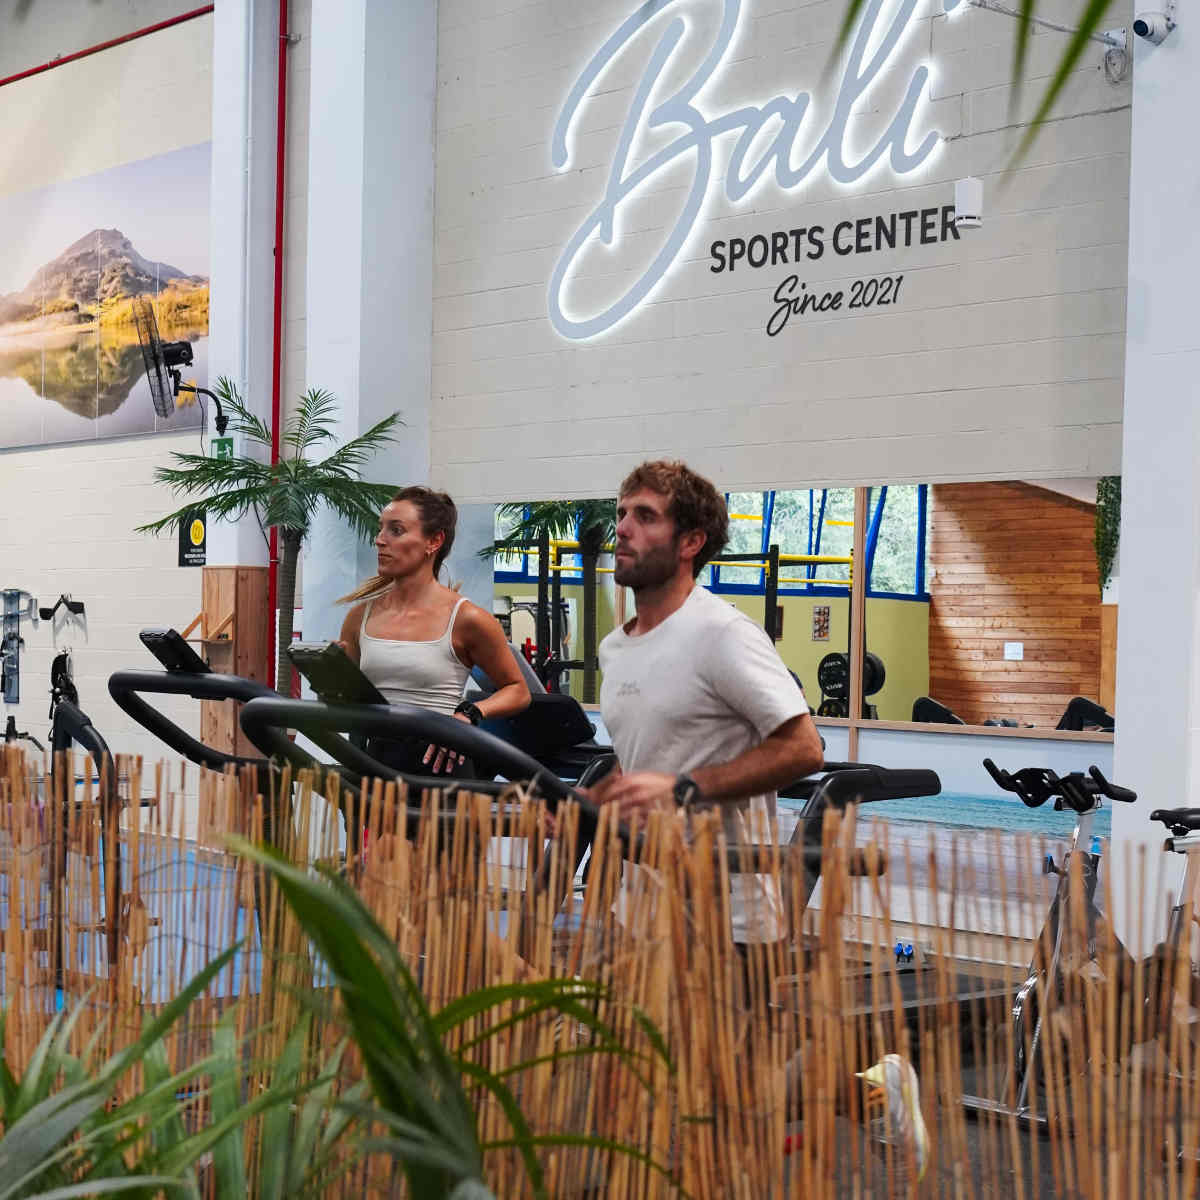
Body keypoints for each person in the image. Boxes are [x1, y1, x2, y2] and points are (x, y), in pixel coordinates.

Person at [589, 460, 824, 978]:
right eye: (622, 513)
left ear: (691, 542)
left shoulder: (722, 633)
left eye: (645, 516)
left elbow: (804, 747)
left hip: (727, 923)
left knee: (713, 1064)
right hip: (639, 911)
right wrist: (590, 801)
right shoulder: (615, 647)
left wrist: (682, 788)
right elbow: (650, 762)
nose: (623, 528)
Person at [338, 486, 530, 778]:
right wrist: (330, 674)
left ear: (434, 541)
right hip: (377, 766)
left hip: (442, 767)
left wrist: (470, 714)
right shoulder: (359, 618)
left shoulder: (467, 619)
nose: (379, 540)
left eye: (396, 530)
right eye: (381, 529)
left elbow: (518, 691)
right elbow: (347, 702)